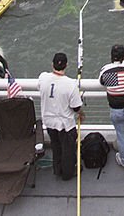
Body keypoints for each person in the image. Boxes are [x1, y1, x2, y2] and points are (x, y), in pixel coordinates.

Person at [37, 52, 84, 181]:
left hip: (49, 122)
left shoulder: (43, 77)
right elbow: (76, 107)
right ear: (66, 65)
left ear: (52, 64)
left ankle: (57, 169)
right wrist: (81, 114)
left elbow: (41, 86)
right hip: (65, 124)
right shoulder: (70, 84)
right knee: (68, 150)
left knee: (56, 147)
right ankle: (68, 173)